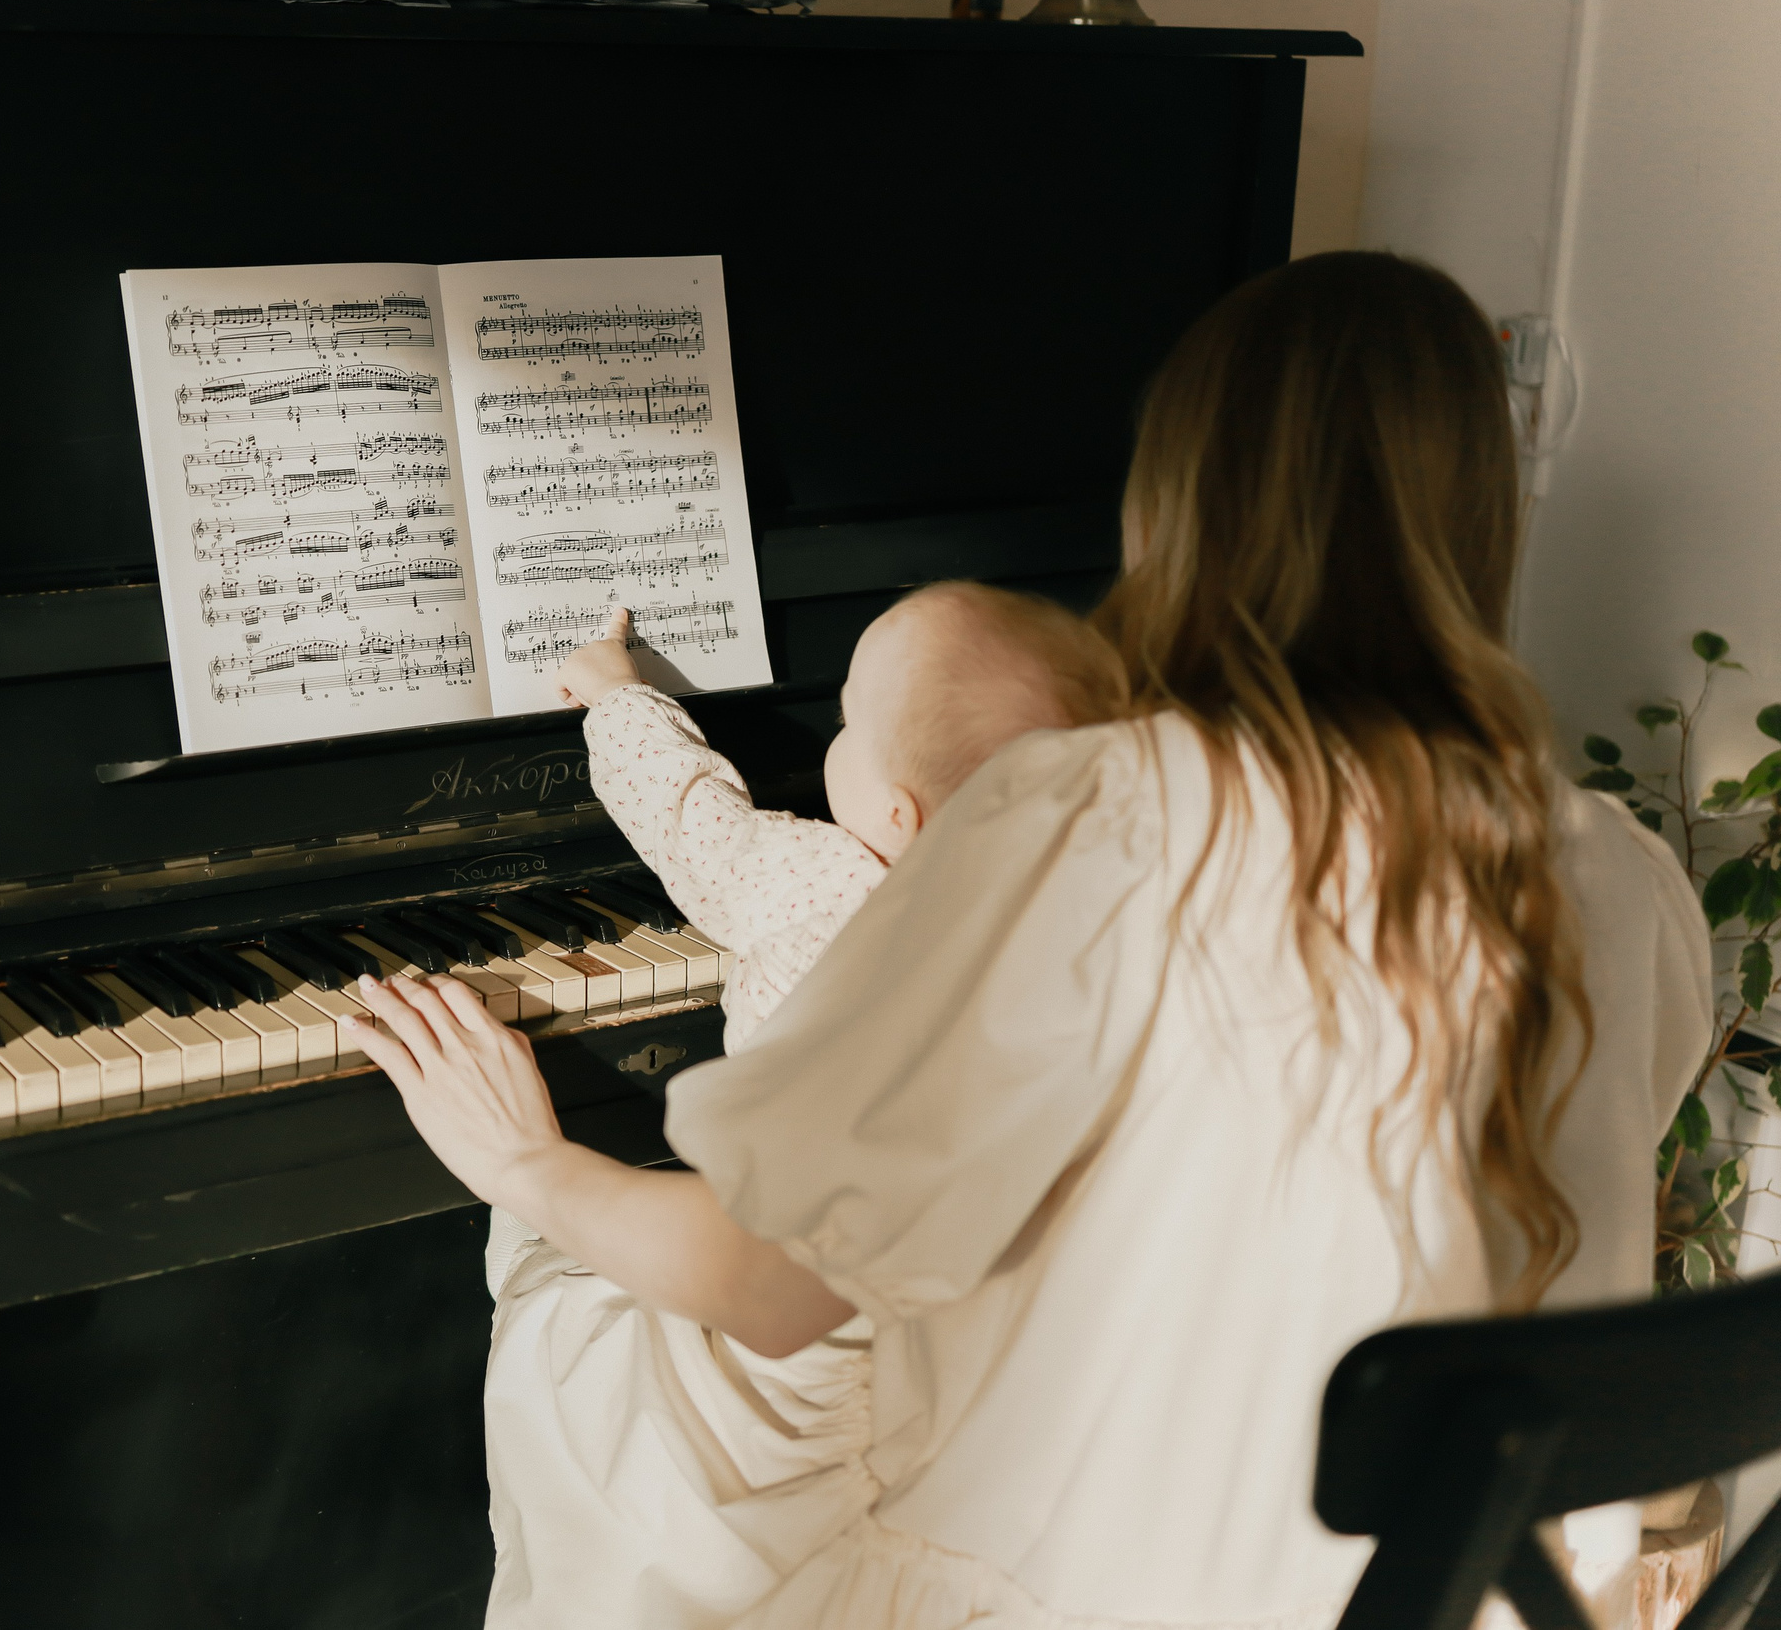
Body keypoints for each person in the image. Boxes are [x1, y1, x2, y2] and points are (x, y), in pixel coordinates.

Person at [339, 250, 1711, 1630]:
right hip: (1450, 1588)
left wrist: (524, 1160)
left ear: (1179, 501)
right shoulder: (1627, 874)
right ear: (1483, 521)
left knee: (594, 1346)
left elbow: (772, 1283)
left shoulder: (1093, 814)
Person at [475, 583, 1127, 1629]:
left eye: (849, 725)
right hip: (969, 1368)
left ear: (900, 819)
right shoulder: (1098, 920)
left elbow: (697, 825)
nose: (832, 738)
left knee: (549, 1275)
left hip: (790, 1347)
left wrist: (616, 695)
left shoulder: (830, 877)